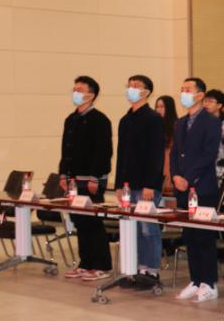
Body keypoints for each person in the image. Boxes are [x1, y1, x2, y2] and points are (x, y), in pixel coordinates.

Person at [170, 77, 222, 302]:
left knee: (204, 236)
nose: (184, 93)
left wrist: (189, 178)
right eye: (182, 89)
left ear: (200, 95)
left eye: (188, 89)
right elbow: (175, 152)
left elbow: (208, 154)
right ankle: (195, 279)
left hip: (203, 186)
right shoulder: (180, 122)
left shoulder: (211, 122)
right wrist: (175, 176)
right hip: (182, 188)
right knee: (189, 235)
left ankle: (209, 283)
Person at [59, 76, 113, 282]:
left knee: (93, 222)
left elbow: (104, 151)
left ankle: (100, 265)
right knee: (79, 222)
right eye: (74, 89)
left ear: (91, 95)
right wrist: (63, 174)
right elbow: (65, 149)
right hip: (73, 181)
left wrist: (95, 178)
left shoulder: (100, 120)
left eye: (80, 89)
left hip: (91, 180)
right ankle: (85, 263)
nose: (75, 93)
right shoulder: (71, 119)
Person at [115, 74, 165, 285]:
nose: (131, 89)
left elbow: (156, 154)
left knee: (148, 229)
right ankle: (136, 268)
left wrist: (150, 185)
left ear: (146, 91)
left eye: (135, 86)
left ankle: (151, 270)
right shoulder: (125, 120)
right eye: (129, 86)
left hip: (146, 185)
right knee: (132, 229)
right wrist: (119, 185)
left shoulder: (153, 119)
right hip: (128, 184)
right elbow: (121, 154)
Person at [202, 90, 224, 190]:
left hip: (220, 177)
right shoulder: (204, 123)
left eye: (210, 101)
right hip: (205, 174)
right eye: (205, 101)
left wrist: (222, 174)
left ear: (219, 105)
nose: (206, 104)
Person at [155, 95, 178, 197]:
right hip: (156, 173)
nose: (158, 110)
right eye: (157, 107)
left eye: (162, 107)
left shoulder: (176, 126)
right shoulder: (154, 125)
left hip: (169, 173)